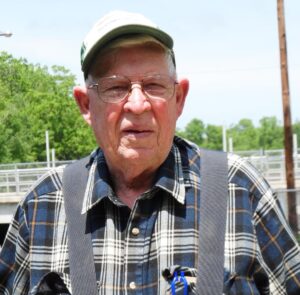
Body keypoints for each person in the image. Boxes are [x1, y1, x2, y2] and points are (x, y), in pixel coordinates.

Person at [0, 10, 300, 295]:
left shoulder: (239, 190)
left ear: (179, 98)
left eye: (154, 85)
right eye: (115, 88)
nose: (138, 104)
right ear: (86, 105)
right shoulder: (42, 206)